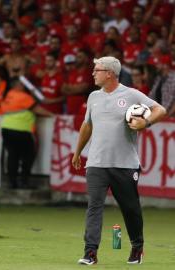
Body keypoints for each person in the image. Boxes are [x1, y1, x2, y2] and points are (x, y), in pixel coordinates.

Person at [72, 56, 167, 265]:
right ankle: (90, 252)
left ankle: (137, 247)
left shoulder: (131, 94)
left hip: (125, 164)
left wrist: (146, 122)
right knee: (94, 206)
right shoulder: (93, 97)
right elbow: (87, 125)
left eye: (97, 70)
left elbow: (161, 109)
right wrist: (78, 152)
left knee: (130, 208)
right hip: (96, 163)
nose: (93, 73)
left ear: (110, 73)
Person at [1, 77, 53, 189]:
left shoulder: (9, 95)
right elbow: (38, 109)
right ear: (17, 86)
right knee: (28, 156)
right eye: (22, 84)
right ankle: (24, 181)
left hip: (6, 129)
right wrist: (53, 115)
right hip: (21, 130)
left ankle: (12, 182)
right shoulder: (23, 97)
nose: (24, 86)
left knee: (12, 156)